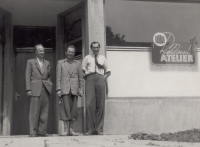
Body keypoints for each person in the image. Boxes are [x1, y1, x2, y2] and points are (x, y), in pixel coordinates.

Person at [82, 41, 111, 135]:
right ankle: (90, 129)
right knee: (89, 104)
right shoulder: (87, 58)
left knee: (101, 104)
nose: (95, 49)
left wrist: (103, 79)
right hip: (90, 78)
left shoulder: (103, 58)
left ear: (99, 48)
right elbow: (82, 69)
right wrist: (86, 77)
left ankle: (99, 129)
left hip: (100, 79)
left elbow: (108, 71)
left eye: (97, 47)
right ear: (91, 48)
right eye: (94, 47)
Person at [56, 45, 84, 136]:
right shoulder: (61, 63)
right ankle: (65, 130)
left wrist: (81, 89)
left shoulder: (78, 63)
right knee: (64, 109)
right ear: (66, 52)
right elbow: (58, 77)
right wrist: (58, 89)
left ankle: (71, 130)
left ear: (74, 53)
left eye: (72, 52)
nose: (70, 53)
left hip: (74, 89)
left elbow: (81, 78)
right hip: (64, 89)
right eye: (69, 51)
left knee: (74, 110)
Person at [25, 44, 52, 137]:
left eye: (43, 50)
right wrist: (28, 89)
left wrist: (49, 86)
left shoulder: (47, 62)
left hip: (45, 88)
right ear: (36, 52)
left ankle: (42, 132)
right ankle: (33, 132)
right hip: (35, 88)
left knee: (44, 111)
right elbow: (27, 76)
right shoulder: (30, 62)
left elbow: (49, 76)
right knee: (34, 111)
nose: (42, 52)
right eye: (40, 50)